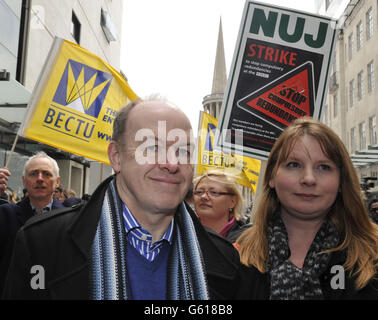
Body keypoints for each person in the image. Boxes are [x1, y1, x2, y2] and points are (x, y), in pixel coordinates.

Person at [3, 96, 243, 300]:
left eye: (183, 151)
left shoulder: (224, 258)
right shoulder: (42, 243)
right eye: (151, 147)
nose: (171, 163)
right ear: (116, 157)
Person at [236, 117, 378, 300]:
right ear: (272, 176)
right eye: (294, 165)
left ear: (341, 180)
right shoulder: (235, 252)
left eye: (324, 167)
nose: (309, 178)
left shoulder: (373, 253)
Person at [0, 152, 64, 294]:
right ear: (24, 181)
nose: (40, 179)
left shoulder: (72, 219)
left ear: (57, 182)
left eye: (46, 174)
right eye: (34, 174)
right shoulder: (5, 215)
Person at [193, 169, 251, 243]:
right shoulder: (180, 229)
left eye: (214, 192)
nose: (204, 196)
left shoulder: (246, 240)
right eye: (199, 192)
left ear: (233, 202)